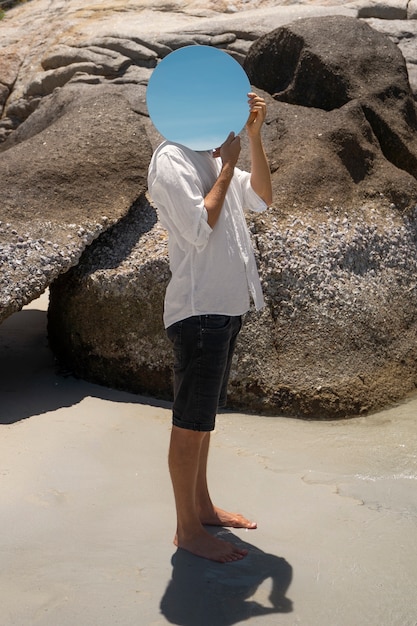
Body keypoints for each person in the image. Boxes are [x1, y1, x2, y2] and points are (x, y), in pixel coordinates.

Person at [147, 92, 272, 563]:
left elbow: (261, 197)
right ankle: (186, 530)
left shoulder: (207, 153)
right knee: (188, 423)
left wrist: (253, 140)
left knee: (203, 422)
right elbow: (200, 227)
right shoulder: (172, 158)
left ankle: (201, 508)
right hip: (198, 311)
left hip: (225, 307)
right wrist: (225, 168)